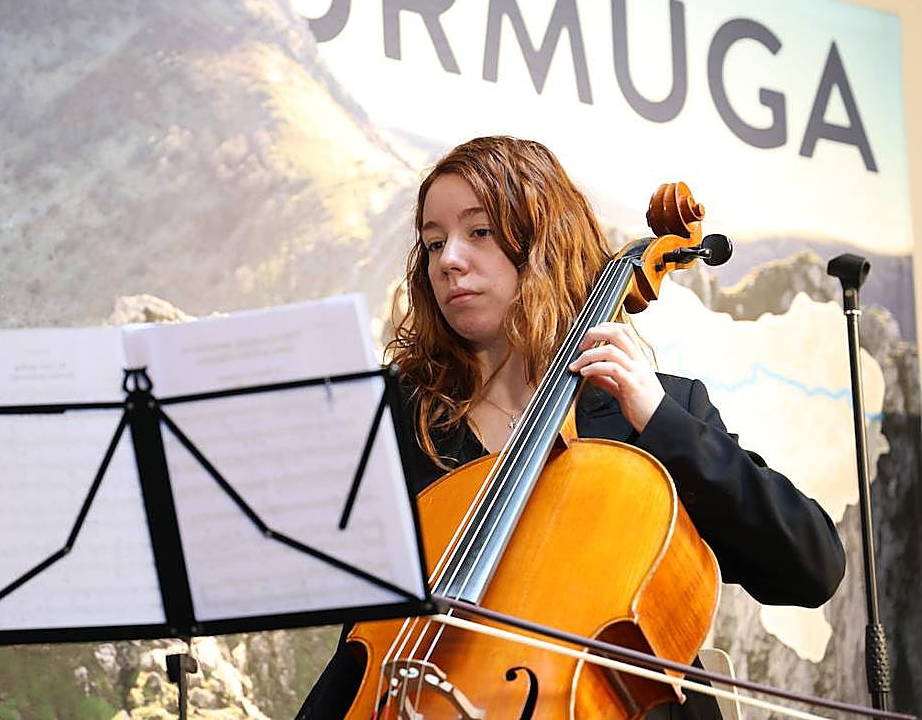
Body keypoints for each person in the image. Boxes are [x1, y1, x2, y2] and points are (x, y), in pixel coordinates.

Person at [297, 136, 846, 720]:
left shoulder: (650, 416)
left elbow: (809, 568)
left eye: (478, 232)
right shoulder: (406, 419)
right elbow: (361, 640)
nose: (448, 259)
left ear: (544, 246)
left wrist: (659, 418)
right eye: (434, 242)